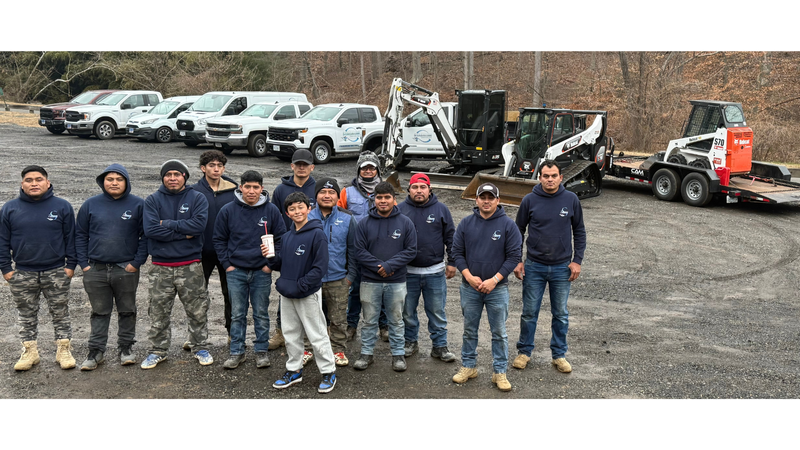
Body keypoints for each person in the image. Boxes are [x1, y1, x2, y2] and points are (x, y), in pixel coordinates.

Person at [0, 165, 77, 371]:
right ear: (22, 184)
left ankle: (63, 350)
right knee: (26, 314)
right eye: (29, 180)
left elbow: (71, 238)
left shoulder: (62, 206)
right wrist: (6, 269)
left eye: (39, 179)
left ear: (47, 182)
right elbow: (2, 241)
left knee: (60, 312)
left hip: (56, 271)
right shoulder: (10, 208)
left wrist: (70, 265)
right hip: (22, 272)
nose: (34, 183)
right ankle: (30, 352)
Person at [512, 160, 586, 374]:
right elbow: (518, 231)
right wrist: (517, 259)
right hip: (534, 266)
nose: (550, 179)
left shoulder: (571, 200)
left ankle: (559, 355)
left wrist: (577, 260)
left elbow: (579, 231)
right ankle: (524, 352)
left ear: (561, 177)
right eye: (546, 176)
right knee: (529, 313)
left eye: (554, 176)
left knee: (560, 314)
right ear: (540, 177)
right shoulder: (529, 200)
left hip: (562, 267)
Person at [141, 159, 213, 369]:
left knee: (197, 309)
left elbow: (198, 226)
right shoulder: (152, 200)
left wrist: (167, 224)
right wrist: (183, 233)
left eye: (177, 174)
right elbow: (151, 230)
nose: (172, 178)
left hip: (190, 265)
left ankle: (200, 347)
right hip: (160, 267)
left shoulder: (197, 198)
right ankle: (158, 351)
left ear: (185, 177)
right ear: (163, 178)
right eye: (168, 175)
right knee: (158, 311)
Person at [76, 164, 148, 370]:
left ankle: (126, 348)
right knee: (99, 311)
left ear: (126, 182)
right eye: (110, 179)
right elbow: (80, 235)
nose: (114, 183)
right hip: (95, 269)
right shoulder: (90, 205)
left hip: (125, 269)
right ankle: (96, 351)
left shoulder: (138, 205)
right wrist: (84, 264)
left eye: (119, 179)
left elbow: (146, 236)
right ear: (103, 182)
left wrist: (136, 263)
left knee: (127, 310)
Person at [451, 182, 521, 392]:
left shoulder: (508, 226)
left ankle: (499, 371)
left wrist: (494, 280)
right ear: (477, 200)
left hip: (497, 289)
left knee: (499, 332)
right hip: (470, 288)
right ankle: (468, 366)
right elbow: (457, 253)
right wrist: (468, 276)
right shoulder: (466, 224)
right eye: (483, 197)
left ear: (498, 201)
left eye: (491, 198)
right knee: (469, 330)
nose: (487, 201)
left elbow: (514, 257)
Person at [213, 170, 286, 370]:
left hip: (261, 272)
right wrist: (227, 265)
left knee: (261, 313)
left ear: (261, 188)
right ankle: (237, 352)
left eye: (255, 187)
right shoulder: (228, 210)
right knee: (237, 314)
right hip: (236, 271)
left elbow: (281, 239)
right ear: (241, 188)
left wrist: (269, 265)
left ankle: (261, 351)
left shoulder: (271, 211)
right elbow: (219, 239)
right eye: (247, 187)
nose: (251, 191)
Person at [270, 192, 336, 394]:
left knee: (317, 334)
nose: (297, 211)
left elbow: (320, 267)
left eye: (301, 207)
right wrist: (270, 257)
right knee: (290, 333)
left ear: (309, 209)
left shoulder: (317, 234)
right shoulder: (287, 237)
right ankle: (294, 370)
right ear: (287, 213)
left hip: (307, 293)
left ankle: (328, 371)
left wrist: (302, 285)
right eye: (292, 209)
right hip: (287, 293)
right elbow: (282, 264)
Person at [353, 181, 417, 372]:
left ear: (394, 199)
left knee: (396, 320)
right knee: (369, 320)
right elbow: (359, 251)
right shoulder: (364, 223)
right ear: (374, 200)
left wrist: (390, 266)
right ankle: (366, 354)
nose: (383, 201)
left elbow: (411, 250)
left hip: (396, 281)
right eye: (379, 197)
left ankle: (398, 355)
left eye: (387, 197)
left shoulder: (405, 223)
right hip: (369, 280)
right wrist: (378, 267)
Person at [397, 173, 457, 362]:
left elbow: (451, 237)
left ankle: (439, 346)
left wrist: (452, 262)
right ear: (409, 190)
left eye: (423, 187)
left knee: (437, 311)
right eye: (415, 187)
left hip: (435, 272)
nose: (419, 191)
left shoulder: (441, 209)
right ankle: (410, 342)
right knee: (407, 312)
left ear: (429, 190)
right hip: (407, 272)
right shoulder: (400, 210)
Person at [305, 177, 358, 367]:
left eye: (331, 192)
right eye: (323, 192)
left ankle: (337, 349)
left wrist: (350, 277)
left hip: (338, 278)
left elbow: (353, 250)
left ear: (337, 196)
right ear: (316, 195)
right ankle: (307, 349)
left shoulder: (348, 218)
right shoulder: (306, 216)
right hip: (311, 279)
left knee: (338, 318)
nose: (327, 196)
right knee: (310, 316)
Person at [268, 148, 316, 351]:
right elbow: (274, 217)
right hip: (288, 246)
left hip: (312, 245)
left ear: (312, 167)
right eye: (298, 164)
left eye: (305, 165)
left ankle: (311, 334)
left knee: (312, 290)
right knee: (286, 288)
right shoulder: (281, 190)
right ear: (292, 166)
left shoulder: (317, 188)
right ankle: (281, 331)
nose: (301, 168)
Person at [337, 151, 388, 341]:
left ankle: (384, 326)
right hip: (355, 250)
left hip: (380, 249)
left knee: (381, 289)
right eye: (364, 167)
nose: (367, 171)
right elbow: (339, 216)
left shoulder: (385, 192)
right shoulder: (347, 192)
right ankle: (351, 325)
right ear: (358, 169)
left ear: (377, 170)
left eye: (371, 168)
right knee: (355, 290)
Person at [192, 150, 237, 347]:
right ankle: (196, 336)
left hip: (228, 252)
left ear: (224, 168)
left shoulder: (234, 191)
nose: (216, 169)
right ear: (203, 168)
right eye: (211, 165)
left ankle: (233, 334)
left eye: (219, 165)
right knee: (197, 296)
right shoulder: (193, 192)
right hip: (201, 252)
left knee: (231, 295)